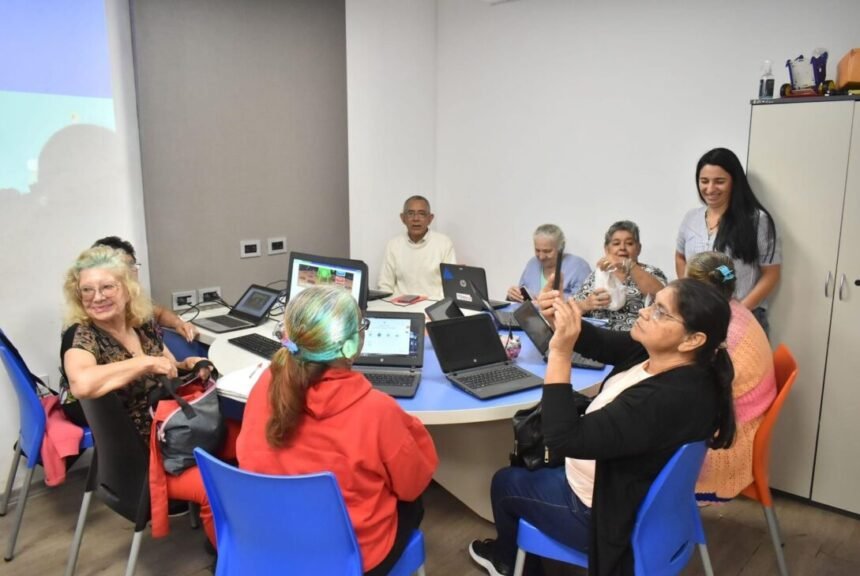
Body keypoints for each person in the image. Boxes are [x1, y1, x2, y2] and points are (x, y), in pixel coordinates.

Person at [469, 279, 735, 576]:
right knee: (531, 457)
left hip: (603, 513)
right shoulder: (675, 362)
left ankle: (509, 564)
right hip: (643, 498)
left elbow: (562, 438)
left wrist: (560, 353)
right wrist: (561, 318)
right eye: (652, 304)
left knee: (505, 482)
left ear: (692, 339)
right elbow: (601, 342)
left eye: (660, 312)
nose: (644, 312)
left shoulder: (663, 399)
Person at [236, 285, 438, 575]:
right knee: (412, 502)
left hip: (269, 539)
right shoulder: (377, 411)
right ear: (350, 346)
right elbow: (414, 482)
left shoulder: (266, 383)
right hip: (348, 558)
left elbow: (247, 455)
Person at [60, 245, 216, 547]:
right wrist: (144, 362)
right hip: (149, 459)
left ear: (127, 288)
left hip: (171, 433)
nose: (97, 297)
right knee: (228, 474)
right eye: (87, 290)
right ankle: (227, 555)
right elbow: (81, 383)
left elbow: (168, 367)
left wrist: (188, 364)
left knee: (243, 440)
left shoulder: (141, 325)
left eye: (107, 287)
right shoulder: (83, 336)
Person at [686, 252, 776, 502]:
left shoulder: (725, 335)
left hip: (726, 442)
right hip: (741, 424)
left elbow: (697, 394)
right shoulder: (736, 311)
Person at [675, 148, 781, 335]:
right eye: (704, 181)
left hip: (743, 319)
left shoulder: (756, 220)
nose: (710, 189)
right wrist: (689, 294)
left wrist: (739, 312)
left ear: (734, 182)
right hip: (699, 316)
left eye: (719, 181)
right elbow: (680, 256)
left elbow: (771, 273)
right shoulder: (691, 218)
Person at [93, 236, 199, 342]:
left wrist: (178, 323)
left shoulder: (134, 303)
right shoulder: (99, 313)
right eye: (122, 268)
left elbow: (160, 314)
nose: (130, 273)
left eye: (131, 266)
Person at [572, 221, 666, 331]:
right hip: (598, 334)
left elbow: (664, 298)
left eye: (629, 243)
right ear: (607, 249)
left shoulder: (651, 272)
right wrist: (586, 304)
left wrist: (630, 265)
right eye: (616, 244)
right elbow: (571, 309)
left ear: (638, 248)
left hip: (635, 335)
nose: (622, 248)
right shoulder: (598, 274)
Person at [377, 195, 457, 299]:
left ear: (430, 218)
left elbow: (450, 285)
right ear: (403, 218)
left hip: (433, 305)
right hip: (399, 305)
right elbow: (385, 285)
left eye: (422, 214)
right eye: (410, 213)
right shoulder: (393, 245)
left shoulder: (444, 243)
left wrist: (437, 305)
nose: (416, 219)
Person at [505, 224, 591, 302]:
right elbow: (521, 297)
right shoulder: (532, 264)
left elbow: (583, 304)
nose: (541, 256)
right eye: (537, 250)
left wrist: (545, 303)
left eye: (547, 251)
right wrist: (513, 296)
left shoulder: (579, 267)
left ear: (561, 248)